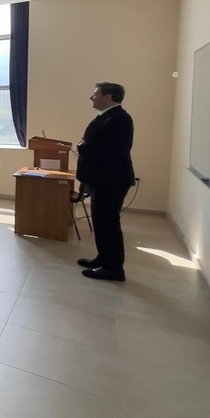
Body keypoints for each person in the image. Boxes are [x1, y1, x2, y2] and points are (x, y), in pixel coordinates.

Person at [76, 82, 135, 282]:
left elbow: (112, 151)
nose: (91, 98)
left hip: (111, 180)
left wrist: (83, 147)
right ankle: (103, 258)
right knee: (101, 223)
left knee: (108, 224)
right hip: (100, 179)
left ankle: (113, 268)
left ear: (108, 97)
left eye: (95, 94)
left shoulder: (120, 119)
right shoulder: (105, 116)